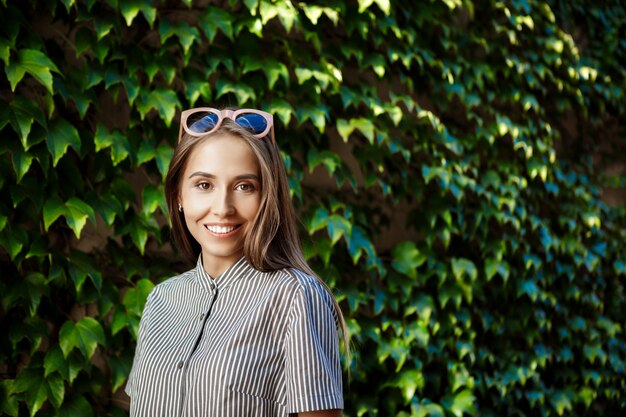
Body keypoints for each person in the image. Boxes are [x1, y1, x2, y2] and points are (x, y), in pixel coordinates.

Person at [125, 107, 348, 417]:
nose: (223, 207)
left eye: (245, 187)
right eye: (204, 185)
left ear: (267, 196)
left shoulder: (295, 296)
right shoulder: (161, 300)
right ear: (178, 194)